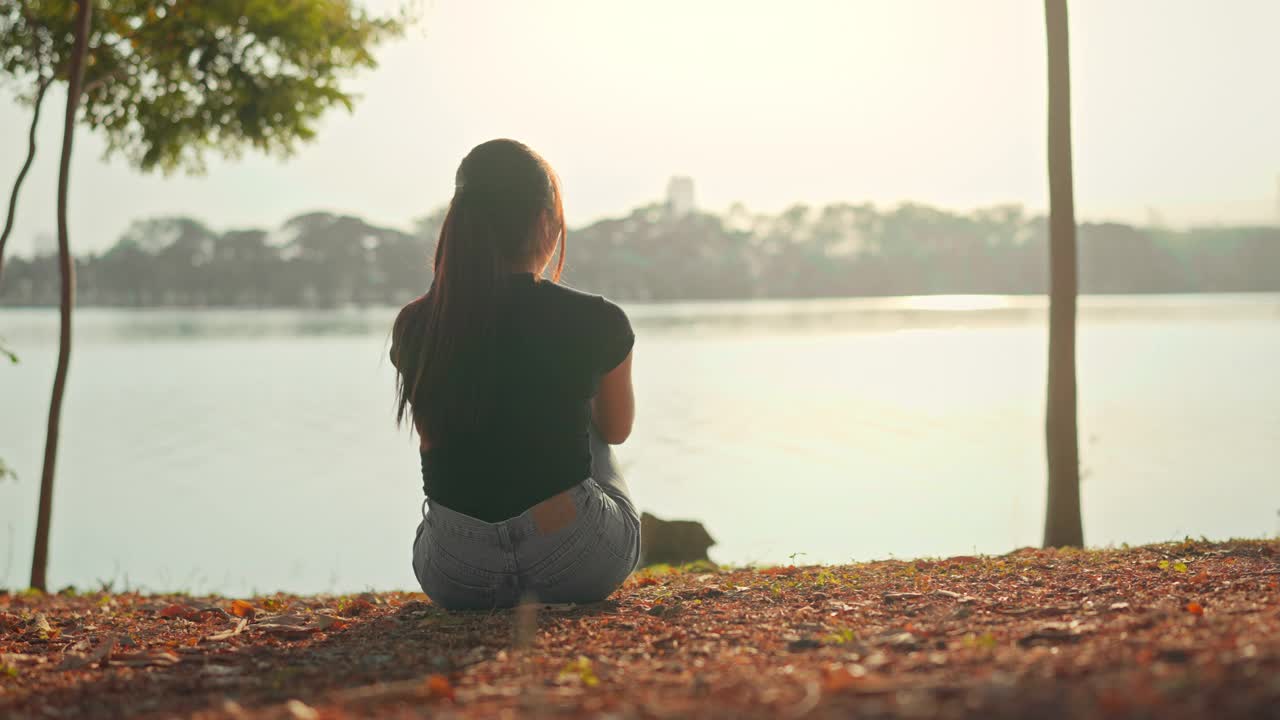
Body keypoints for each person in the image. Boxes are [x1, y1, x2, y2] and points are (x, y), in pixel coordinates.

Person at [390, 139, 640, 610]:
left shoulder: (417, 325)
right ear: (545, 223)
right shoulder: (598, 320)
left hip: (455, 571)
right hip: (578, 558)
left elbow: (433, 438)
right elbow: (618, 431)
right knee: (591, 423)